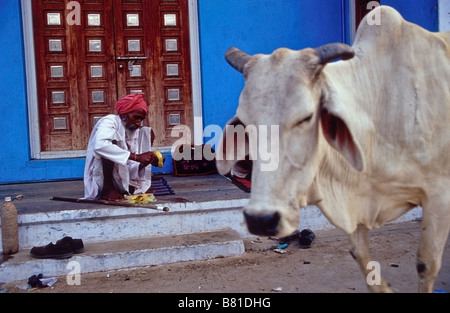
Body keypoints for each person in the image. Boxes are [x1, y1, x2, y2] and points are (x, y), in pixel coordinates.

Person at [83, 93, 165, 201]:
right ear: (123, 114)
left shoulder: (134, 132)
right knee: (111, 143)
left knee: (147, 132)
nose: (138, 123)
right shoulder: (109, 121)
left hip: (124, 177)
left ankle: (129, 187)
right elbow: (100, 145)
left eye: (141, 119)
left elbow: (128, 165)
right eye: (136, 117)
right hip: (103, 177)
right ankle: (108, 189)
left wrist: (145, 162)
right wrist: (136, 157)